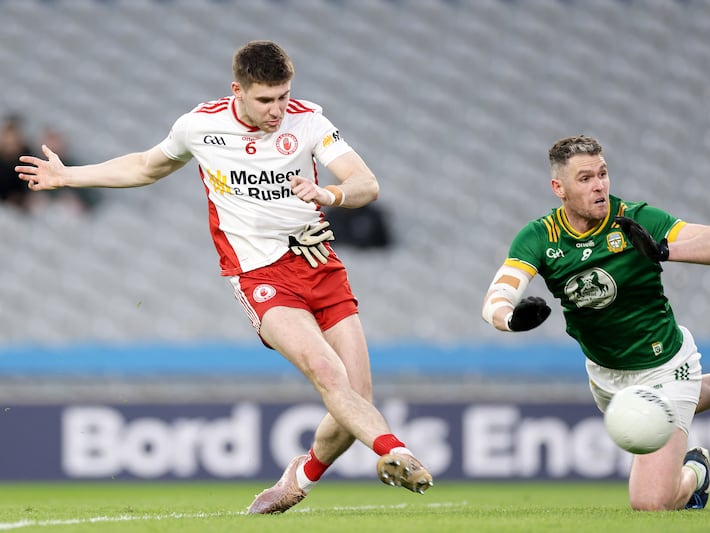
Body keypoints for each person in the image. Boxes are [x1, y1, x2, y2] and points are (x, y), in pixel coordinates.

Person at [17, 40, 433, 514]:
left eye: (283, 96)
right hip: (260, 273)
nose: (278, 110)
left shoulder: (309, 120)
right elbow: (146, 166)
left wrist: (328, 193)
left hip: (321, 266)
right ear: (237, 90)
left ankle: (300, 477)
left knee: (355, 400)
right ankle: (397, 452)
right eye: (265, 100)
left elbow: (365, 183)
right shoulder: (200, 126)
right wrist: (69, 177)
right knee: (325, 371)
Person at [481, 135, 710, 511]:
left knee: (649, 503)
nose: (599, 185)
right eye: (585, 178)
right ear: (558, 188)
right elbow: (498, 294)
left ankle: (697, 471)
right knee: (689, 396)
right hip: (604, 374)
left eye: (603, 173)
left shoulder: (635, 218)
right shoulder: (540, 236)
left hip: (665, 364)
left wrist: (663, 250)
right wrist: (510, 319)